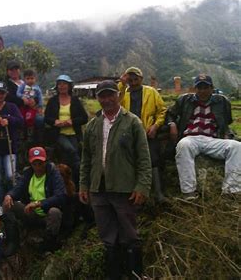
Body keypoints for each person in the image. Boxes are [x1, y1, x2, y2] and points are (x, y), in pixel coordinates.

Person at [79, 80, 152, 280]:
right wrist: (84, 185)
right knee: (108, 236)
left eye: (110, 94)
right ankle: (114, 275)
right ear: (98, 98)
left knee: (129, 234)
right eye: (102, 96)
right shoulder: (93, 125)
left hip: (124, 188)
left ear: (118, 96)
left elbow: (144, 159)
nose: (107, 99)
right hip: (98, 189)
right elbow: (86, 159)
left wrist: (142, 187)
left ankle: (135, 274)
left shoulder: (132, 122)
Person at [167, 74, 241, 200]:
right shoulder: (185, 100)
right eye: (199, 87)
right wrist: (172, 123)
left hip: (213, 139)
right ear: (195, 89)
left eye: (206, 87)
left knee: (236, 146)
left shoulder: (221, 101)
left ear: (212, 88)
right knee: (183, 145)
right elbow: (170, 113)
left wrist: (226, 133)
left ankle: (231, 191)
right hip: (191, 138)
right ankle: (188, 192)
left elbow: (226, 121)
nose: (202, 91)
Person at [2, 147, 66, 255]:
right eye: (34, 164)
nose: (38, 167)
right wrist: (9, 195)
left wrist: (39, 203)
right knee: (8, 204)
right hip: (31, 213)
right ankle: (12, 241)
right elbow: (19, 188)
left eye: (40, 163)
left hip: (47, 215)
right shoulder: (28, 174)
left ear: (45, 161)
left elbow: (60, 196)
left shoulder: (54, 174)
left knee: (55, 212)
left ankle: (48, 245)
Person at [119, 67, 168, 202]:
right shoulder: (124, 93)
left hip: (147, 133)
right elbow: (115, 104)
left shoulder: (151, 92)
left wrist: (155, 126)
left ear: (141, 79)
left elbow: (162, 111)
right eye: (130, 79)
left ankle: (158, 193)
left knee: (153, 158)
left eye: (136, 79)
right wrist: (121, 84)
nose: (133, 82)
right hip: (128, 133)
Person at [44, 74, 88, 187]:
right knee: (72, 152)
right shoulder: (53, 101)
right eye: (60, 84)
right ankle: (81, 177)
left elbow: (84, 118)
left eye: (64, 84)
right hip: (58, 134)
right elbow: (47, 118)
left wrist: (72, 121)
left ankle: (75, 184)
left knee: (69, 161)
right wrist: (55, 122)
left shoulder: (75, 101)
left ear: (69, 86)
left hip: (73, 134)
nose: (62, 86)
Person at [0, 81, 24, 205]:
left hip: (10, 147)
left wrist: (9, 119)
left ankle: (13, 200)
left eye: (2, 93)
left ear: (6, 94)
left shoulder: (12, 107)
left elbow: (20, 122)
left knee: (10, 175)